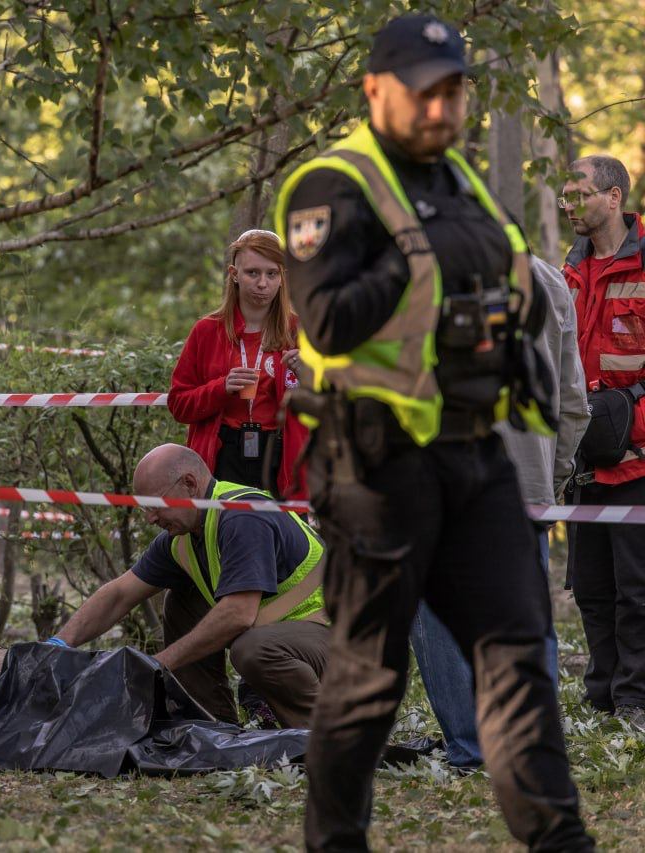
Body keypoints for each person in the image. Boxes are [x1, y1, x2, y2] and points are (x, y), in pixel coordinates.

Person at [275, 14, 591, 850]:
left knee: (520, 660)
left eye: (453, 90)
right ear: (377, 89)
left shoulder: (459, 179)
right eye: (423, 89)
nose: (440, 106)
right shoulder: (331, 185)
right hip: (378, 464)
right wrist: (415, 264)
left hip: (477, 454)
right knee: (368, 680)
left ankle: (561, 841)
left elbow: (511, 281)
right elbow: (328, 321)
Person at [409, 256, 588, 769]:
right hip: (522, 482)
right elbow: (573, 400)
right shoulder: (548, 278)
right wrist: (549, 483)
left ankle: (472, 747)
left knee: (437, 615)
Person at [46, 444, 329, 728]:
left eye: (155, 505)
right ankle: (214, 726)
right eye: (145, 508)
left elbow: (238, 614)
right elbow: (120, 594)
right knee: (182, 599)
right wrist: (57, 645)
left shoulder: (242, 516)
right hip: (298, 637)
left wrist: (159, 663)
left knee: (252, 649)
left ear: (189, 484)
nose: (150, 518)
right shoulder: (183, 537)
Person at [561, 154, 645, 727]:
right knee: (590, 587)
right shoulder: (565, 272)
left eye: (580, 194)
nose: (570, 204)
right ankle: (602, 696)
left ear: (613, 198)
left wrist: (625, 424)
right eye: (566, 195)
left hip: (636, 461)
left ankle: (636, 699)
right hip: (582, 461)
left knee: (637, 592)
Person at [168, 229, 308, 499]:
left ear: (283, 277)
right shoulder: (207, 331)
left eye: (272, 273)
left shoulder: (300, 332)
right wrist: (220, 388)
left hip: (281, 459)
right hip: (222, 455)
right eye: (252, 273)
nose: (262, 283)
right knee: (224, 538)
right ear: (234, 274)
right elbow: (178, 404)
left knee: (277, 539)